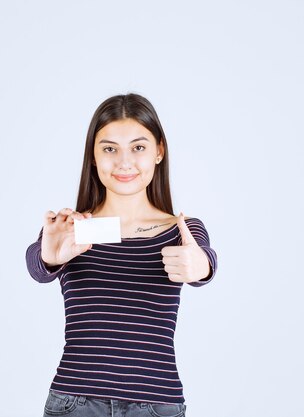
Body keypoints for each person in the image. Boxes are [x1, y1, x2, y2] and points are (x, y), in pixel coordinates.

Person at [25, 93, 218, 417]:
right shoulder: (74, 227)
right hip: (75, 402)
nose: (124, 161)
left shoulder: (181, 229)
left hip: (156, 405)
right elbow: (37, 264)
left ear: (158, 151)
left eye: (138, 147)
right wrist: (49, 256)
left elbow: (205, 261)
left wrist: (201, 266)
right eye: (110, 148)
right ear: (93, 156)